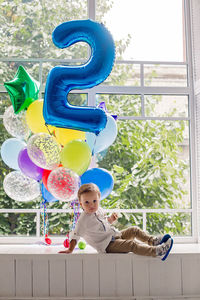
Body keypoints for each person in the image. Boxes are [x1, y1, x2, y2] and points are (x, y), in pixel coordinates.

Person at [59, 183, 173, 260]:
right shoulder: (83, 220)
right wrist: (70, 249)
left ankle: (152, 241)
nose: (92, 205)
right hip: (107, 245)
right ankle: (157, 251)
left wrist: (111, 220)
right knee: (131, 245)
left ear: (99, 199)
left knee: (134, 230)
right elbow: (75, 235)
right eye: (87, 202)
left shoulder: (99, 210)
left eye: (94, 201)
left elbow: (103, 224)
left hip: (114, 235)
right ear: (81, 203)